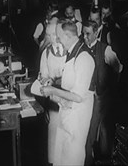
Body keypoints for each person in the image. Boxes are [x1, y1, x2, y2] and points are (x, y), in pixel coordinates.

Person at [40, 20, 95, 166]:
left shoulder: (84, 58)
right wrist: (55, 85)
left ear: (67, 36)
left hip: (77, 117)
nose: (57, 40)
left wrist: (52, 90)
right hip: (68, 114)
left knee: (73, 157)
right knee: (63, 157)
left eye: (59, 37)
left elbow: (78, 96)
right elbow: (70, 85)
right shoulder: (72, 54)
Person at [83, 20, 123, 165]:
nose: (85, 37)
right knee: (88, 126)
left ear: (96, 33)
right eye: (83, 34)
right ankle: (89, 156)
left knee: (101, 126)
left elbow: (118, 68)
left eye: (88, 34)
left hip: (101, 95)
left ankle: (103, 158)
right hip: (86, 94)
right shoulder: (82, 48)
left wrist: (108, 86)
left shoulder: (105, 49)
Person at [37, 23, 66, 166]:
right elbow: (43, 75)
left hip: (68, 97)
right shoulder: (46, 53)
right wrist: (47, 79)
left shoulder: (69, 50)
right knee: (54, 133)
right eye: (50, 35)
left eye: (55, 34)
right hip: (53, 99)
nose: (53, 38)